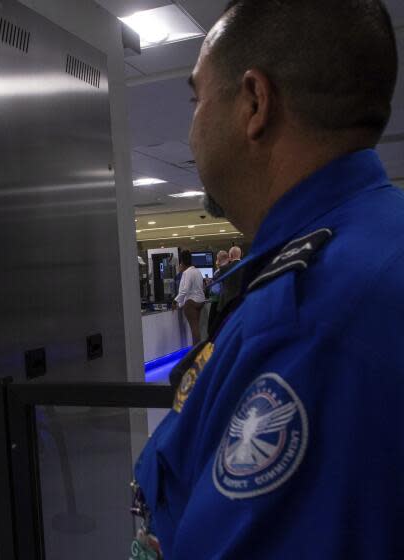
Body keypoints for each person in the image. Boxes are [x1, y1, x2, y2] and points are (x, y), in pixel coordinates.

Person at [132, 1, 402, 558]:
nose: (191, 128)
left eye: (196, 98)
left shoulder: (310, 320)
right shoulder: (376, 245)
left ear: (254, 103)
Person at [173, 250, 206, 345]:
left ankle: (195, 352)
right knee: (196, 328)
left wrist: (175, 301)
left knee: (194, 329)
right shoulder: (197, 271)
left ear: (182, 262)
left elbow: (185, 290)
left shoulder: (187, 273)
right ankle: (197, 351)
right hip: (200, 301)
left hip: (191, 303)